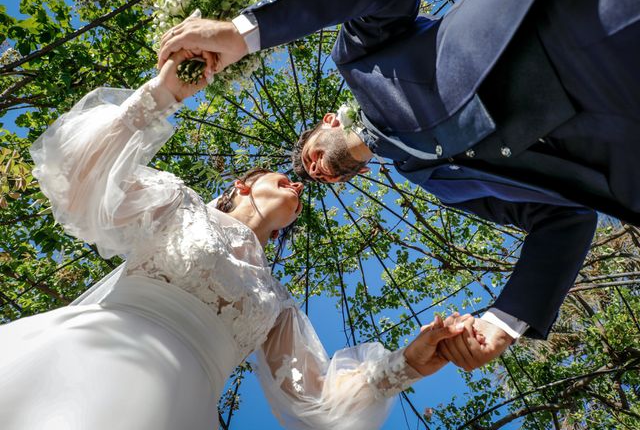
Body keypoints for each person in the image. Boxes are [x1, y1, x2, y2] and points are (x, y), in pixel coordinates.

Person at [157, 0, 640, 371]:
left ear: (329, 120)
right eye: (316, 179)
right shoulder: (438, 181)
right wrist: (505, 321)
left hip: (587, 21)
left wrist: (243, 34)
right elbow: (565, 218)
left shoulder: (361, 61)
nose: (312, 172)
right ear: (357, 176)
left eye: (308, 158)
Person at [0, 48, 472, 430]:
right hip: (95, 349)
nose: (299, 185)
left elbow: (317, 398)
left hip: (184, 398)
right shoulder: (174, 205)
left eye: (303, 193)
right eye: (278, 178)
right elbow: (81, 179)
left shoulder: (276, 304)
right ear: (242, 185)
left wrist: (407, 363)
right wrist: (161, 95)